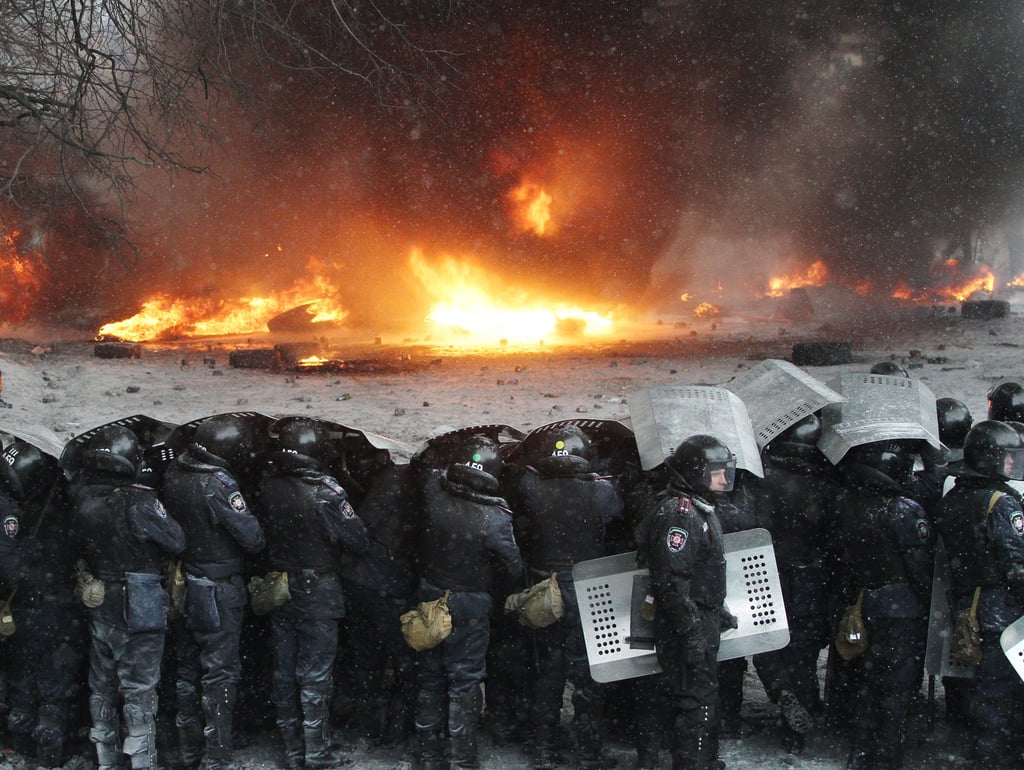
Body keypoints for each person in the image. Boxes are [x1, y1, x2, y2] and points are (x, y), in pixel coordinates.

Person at [68, 426, 186, 770]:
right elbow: (176, 541)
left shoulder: (82, 497)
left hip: (100, 596)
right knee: (139, 689)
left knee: (102, 684)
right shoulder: (139, 499)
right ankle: (142, 762)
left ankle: (106, 759)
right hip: (140, 600)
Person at [253, 418, 368, 770]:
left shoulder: (268, 484)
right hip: (317, 589)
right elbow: (358, 539)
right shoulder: (325, 492)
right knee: (315, 674)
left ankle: (291, 749)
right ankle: (316, 752)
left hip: (280, 587)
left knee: (285, 671)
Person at [508, 424, 624, 770]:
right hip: (589, 590)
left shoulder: (532, 486)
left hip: (547, 589)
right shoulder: (601, 492)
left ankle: (543, 746)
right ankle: (589, 750)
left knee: (549, 670)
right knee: (588, 674)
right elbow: (615, 514)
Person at [160, 416, 266, 770]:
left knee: (188, 668)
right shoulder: (218, 484)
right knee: (220, 673)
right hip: (218, 589)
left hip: (184, 582)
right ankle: (217, 755)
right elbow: (252, 539)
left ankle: (188, 749)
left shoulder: (175, 472)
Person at [412, 435, 522, 770]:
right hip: (471, 604)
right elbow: (513, 569)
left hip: (430, 595)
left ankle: (428, 754)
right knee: (465, 681)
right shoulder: (496, 517)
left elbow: (424, 465)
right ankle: (462, 759)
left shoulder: (434, 495)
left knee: (430, 677)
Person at [830, 440, 933, 770]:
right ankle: (888, 756)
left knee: (869, 682)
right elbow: (919, 567)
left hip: (866, 603)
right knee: (897, 688)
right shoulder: (904, 511)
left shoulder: (849, 505)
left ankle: (860, 753)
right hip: (902, 609)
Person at [635, 434, 734, 770]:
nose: (724, 478)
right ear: (696, 473)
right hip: (685, 620)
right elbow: (671, 582)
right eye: (716, 471)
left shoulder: (698, 509)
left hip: (699, 614)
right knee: (695, 700)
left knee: (702, 694)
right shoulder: (682, 516)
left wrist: (717, 608)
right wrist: (692, 632)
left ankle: (703, 760)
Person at [936, 420, 1024, 766]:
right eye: (1006, 457)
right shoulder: (1001, 505)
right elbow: (1016, 563)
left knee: (980, 689)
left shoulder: (955, 495)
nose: (1011, 464)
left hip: (968, 605)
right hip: (1003, 611)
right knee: (1002, 693)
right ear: (991, 459)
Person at [751, 414, 833, 753]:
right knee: (804, 648)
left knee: (767, 642)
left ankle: (780, 687)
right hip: (811, 574)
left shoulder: (761, 480)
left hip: (766, 570)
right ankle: (801, 703)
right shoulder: (826, 483)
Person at [0, 439, 86, 767]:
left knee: (23, 678)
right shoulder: (64, 510)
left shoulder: (20, 510)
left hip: (27, 606)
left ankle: (19, 748)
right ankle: (49, 755)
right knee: (54, 686)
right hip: (57, 608)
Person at [337, 461, 419, 748]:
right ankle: (398, 731)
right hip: (390, 586)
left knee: (366, 661)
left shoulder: (389, 480)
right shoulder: (417, 485)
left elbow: (362, 526)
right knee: (405, 663)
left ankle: (366, 727)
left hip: (364, 583)